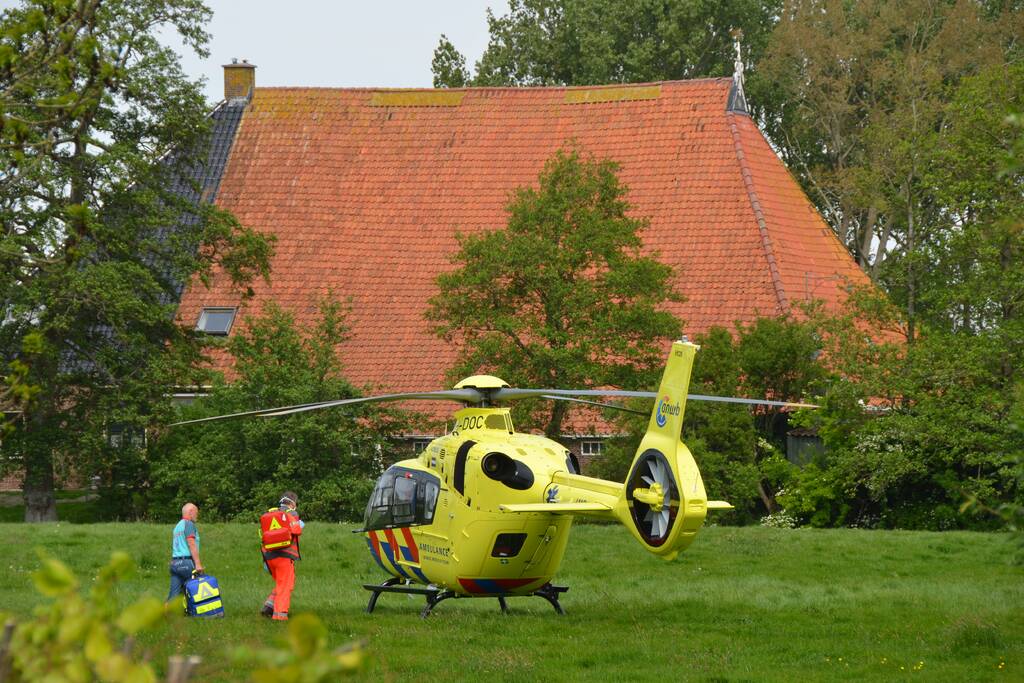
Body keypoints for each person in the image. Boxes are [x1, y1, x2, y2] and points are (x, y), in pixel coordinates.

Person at [260, 491, 304, 621]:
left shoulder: (270, 514)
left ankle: (269, 606)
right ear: (292, 503)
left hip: (269, 557)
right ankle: (279, 616)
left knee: (281, 583)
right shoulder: (292, 513)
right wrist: (300, 524)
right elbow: (296, 530)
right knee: (286, 586)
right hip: (284, 555)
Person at [167, 502, 203, 602]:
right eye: (196, 513)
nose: (197, 515)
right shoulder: (189, 524)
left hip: (175, 563)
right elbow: (191, 543)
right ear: (190, 512)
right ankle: (202, 612)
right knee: (200, 587)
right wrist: (198, 564)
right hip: (186, 562)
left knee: (174, 594)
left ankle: (165, 613)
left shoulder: (177, 526)